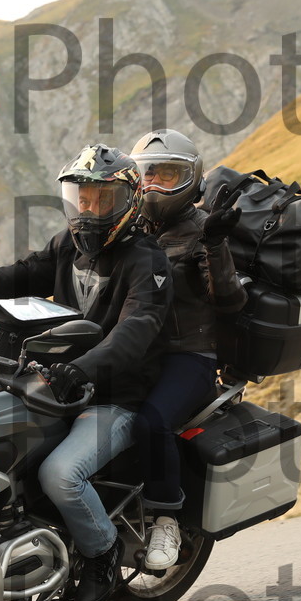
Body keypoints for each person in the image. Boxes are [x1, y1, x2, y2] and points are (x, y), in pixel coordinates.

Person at [0, 144, 174, 601]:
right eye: (81, 199)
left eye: (101, 200)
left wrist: (80, 369)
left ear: (128, 201)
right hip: (54, 386)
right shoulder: (68, 245)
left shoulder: (147, 261)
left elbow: (134, 331)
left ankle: (102, 553)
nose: (88, 211)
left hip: (113, 398)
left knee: (61, 474)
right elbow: (19, 275)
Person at [127, 129, 246, 570]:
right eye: (148, 175)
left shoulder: (201, 231)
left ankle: (166, 519)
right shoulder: (129, 225)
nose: (155, 185)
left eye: (167, 175)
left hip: (188, 354)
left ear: (190, 179)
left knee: (152, 421)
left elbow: (229, 300)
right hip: (133, 349)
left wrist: (215, 245)